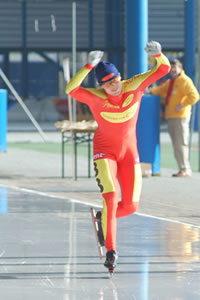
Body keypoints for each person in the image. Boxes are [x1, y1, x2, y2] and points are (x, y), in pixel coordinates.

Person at [65, 41, 170, 271]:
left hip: (129, 153)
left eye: (114, 81)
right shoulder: (95, 96)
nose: (113, 87)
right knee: (111, 198)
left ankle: (104, 219)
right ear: (100, 86)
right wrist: (86, 67)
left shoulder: (135, 85)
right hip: (104, 152)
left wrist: (158, 55)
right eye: (106, 84)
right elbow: (71, 90)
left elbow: (163, 70)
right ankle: (111, 251)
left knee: (131, 206)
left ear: (120, 77)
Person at [148, 59, 199, 177]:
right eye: (171, 68)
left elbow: (194, 96)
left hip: (181, 117)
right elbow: (160, 90)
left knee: (181, 143)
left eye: (175, 68)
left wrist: (183, 104)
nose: (173, 70)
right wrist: (149, 91)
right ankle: (182, 169)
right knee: (176, 144)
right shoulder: (171, 81)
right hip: (171, 116)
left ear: (180, 68)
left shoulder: (185, 81)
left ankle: (185, 169)